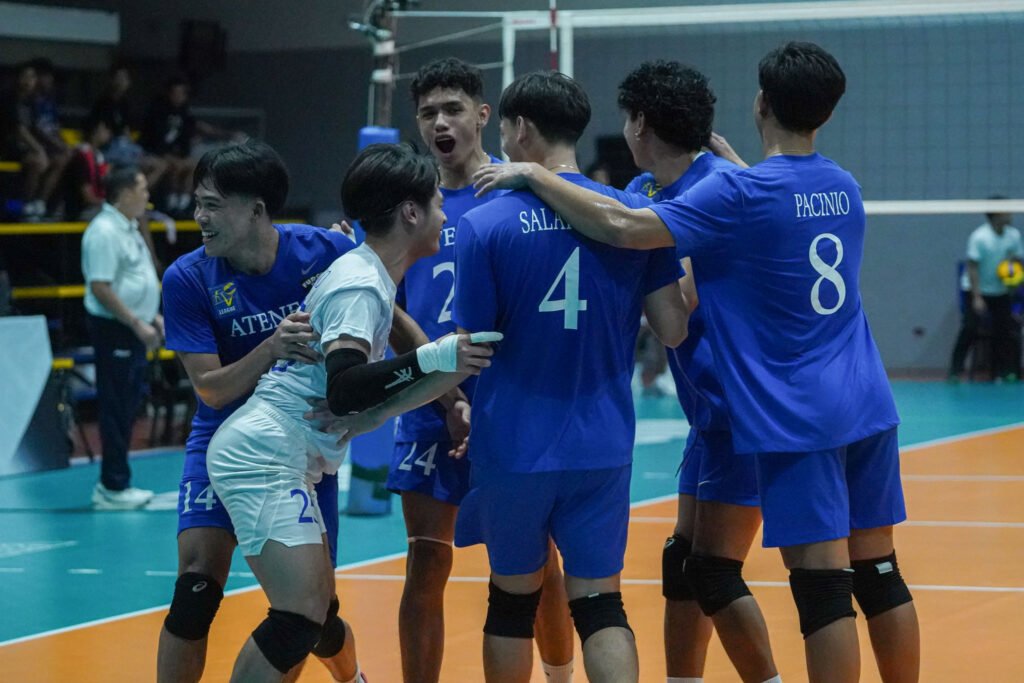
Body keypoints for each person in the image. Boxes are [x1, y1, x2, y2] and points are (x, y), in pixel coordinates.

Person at [474, 43, 921, 683]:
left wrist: (538, 175)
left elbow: (631, 236)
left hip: (774, 412)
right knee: (862, 570)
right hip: (859, 396)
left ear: (760, 102)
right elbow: (751, 203)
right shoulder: (835, 185)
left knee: (804, 580)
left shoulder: (730, 194)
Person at [205, 142, 499, 683]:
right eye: (436, 202)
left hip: (289, 453)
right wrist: (433, 357)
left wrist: (448, 376)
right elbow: (344, 389)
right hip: (263, 454)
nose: (442, 213)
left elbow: (363, 404)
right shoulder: (362, 283)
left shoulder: (368, 276)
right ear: (410, 212)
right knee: (297, 618)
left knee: (316, 614)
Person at [452, 71, 689, 683]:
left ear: (520, 129)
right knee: (601, 604)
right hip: (601, 442)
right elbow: (672, 329)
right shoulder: (635, 214)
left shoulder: (484, 223)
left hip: (513, 443)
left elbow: (470, 346)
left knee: (510, 603)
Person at [385, 57, 574, 683]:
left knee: (535, 564)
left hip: (507, 405)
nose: (440, 122)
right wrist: (445, 398)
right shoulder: (404, 205)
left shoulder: (520, 189)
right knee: (425, 565)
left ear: (483, 115)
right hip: (429, 404)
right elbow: (389, 307)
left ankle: (558, 673)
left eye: (453, 109)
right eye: (428, 112)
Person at [157, 140, 372, 683]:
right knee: (196, 587)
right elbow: (210, 389)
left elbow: (386, 315)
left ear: (256, 210)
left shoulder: (323, 252)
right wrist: (271, 347)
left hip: (298, 446)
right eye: (196, 203)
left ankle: (352, 677)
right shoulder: (187, 278)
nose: (198, 217)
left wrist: (446, 390)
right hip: (222, 440)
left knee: (312, 612)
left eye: (211, 205)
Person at [618, 60, 780, 683]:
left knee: (713, 569)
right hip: (706, 412)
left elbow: (677, 311)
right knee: (682, 559)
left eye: (627, 116)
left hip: (741, 406)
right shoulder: (644, 192)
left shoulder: (723, 189)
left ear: (641, 123)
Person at [81, 165, 160, 509]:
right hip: (116, 331)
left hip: (132, 329)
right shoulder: (103, 232)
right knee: (116, 406)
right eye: (142, 188)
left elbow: (136, 280)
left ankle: (118, 481)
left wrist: (151, 316)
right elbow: (100, 286)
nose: (146, 195)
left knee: (128, 405)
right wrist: (135, 322)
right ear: (125, 192)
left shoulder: (127, 228)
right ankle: (112, 487)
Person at [948, 200, 1023, 382]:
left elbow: (1016, 261)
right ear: (996, 215)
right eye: (1007, 211)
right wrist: (977, 297)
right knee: (970, 328)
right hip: (976, 290)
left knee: (1005, 330)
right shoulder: (980, 237)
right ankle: (955, 371)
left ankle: (1004, 372)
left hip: (1000, 291)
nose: (1011, 214)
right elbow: (972, 267)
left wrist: (1013, 280)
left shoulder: (1013, 235)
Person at [90, 62, 168, 186]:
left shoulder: (124, 104)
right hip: (110, 149)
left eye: (125, 78)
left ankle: (138, 195)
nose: (122, 82)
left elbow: (126, 130)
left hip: (124, 147)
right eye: (119, 78)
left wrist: (132, 147)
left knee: (160, 165)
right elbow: (99, 133)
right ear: (111, 80)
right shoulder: (103, 104)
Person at [0, 62, 61, 220]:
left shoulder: (32, 102)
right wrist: (40, 150)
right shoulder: (8, 99)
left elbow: (36, 129)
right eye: (25, 76)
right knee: (37, 161)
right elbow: (19, 130)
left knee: (60, 160)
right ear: (18, 79)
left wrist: (58, 146)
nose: (28, 80)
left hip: (30, 147)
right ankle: (25, 205)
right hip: (10, 147)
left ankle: (39, 202)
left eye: (32, 77)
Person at [63, 116, 112, 220]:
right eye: (104, 129)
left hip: (96, 206)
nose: (108, 132)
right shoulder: (82, 157)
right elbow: (87, 197)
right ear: (94, 133)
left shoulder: (98, 156)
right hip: (82, 211)